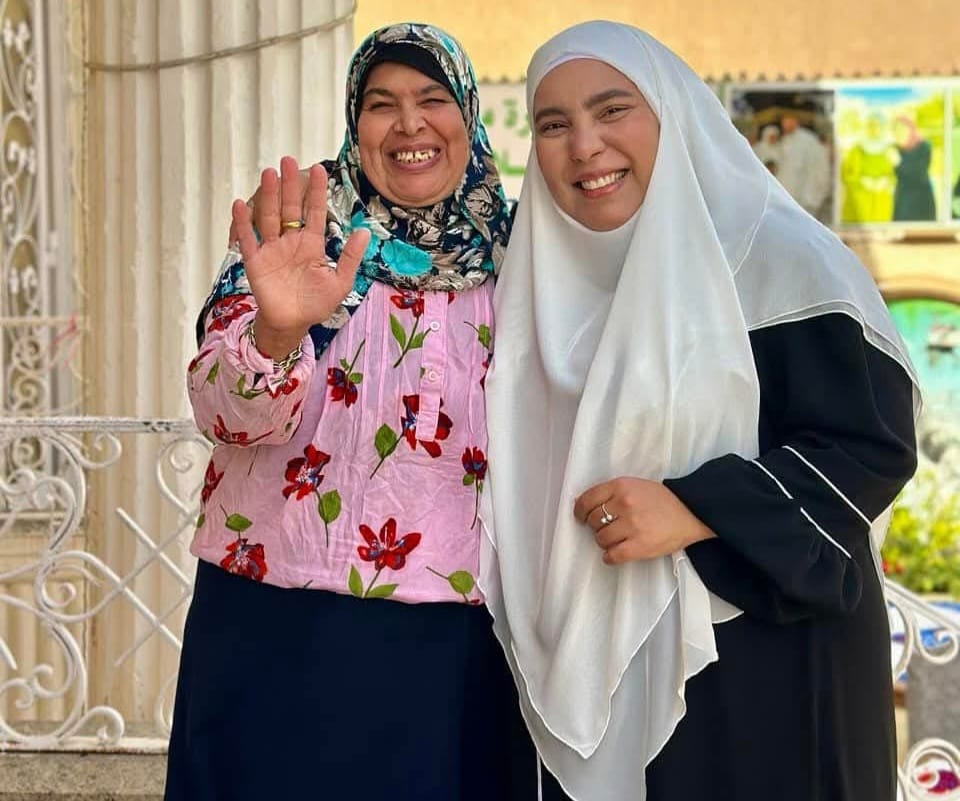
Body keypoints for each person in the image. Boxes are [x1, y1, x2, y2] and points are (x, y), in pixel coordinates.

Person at [482, 21, 919, 801]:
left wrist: (695, 507)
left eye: (613, 110)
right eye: (553, 124)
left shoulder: (776, 260)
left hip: (768, 674)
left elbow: (870, 446)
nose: (584, 145)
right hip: (584, 666)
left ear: (672, 113)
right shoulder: (532, 289)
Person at [165, 23, 536, 801]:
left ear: (468, 114)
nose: (409, 123)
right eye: (381, 103)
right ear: (354, 120)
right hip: (276, 621)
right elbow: (224, 414)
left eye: (432, 99)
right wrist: (277, 331)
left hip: (453, 637)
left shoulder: (523, 254)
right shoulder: (299, 233)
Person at [777, 113, 831, 218]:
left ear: (796, 121)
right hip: (787, 195)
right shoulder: (785, 140)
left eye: (788, 121)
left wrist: (816, 195)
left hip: (806, 198)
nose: (785, 124)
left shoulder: (808, 140)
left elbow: (820, 167)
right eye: (783, 121)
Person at [893, 115, 937, 221]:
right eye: (896, 129)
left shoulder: (924, 146)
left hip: (922, 197)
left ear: (910, 129)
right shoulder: (895, 148)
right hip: (903, 198)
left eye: (903, 129)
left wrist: (898, 162)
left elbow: (919, 172)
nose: (900, 132)